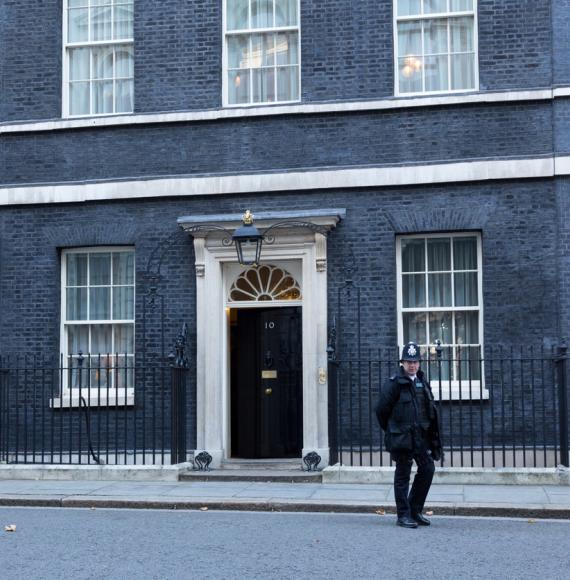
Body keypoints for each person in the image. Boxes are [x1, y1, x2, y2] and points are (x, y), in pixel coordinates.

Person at [375, 342, 443, 528]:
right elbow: (381, 411)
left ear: (419, 363)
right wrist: (392, 431)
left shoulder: (421, 381)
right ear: (402, 363)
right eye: (408, 361)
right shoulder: (394, 383)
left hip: (420, 437)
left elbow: (428, 408)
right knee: (403, 475)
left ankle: (415, 510)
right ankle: (403, 515)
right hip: (403, 437)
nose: (412, 365)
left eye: (415, 361)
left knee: (427, 469)